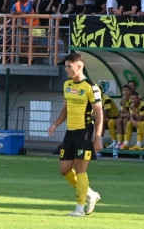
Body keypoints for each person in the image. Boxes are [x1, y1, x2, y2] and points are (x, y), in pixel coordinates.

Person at [47, 52, 103, 217]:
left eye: (69, 66)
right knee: (64, 169)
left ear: (79, 66)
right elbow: (65, 109)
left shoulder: (91, 87)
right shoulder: (67, 85)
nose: (66, 69)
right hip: (70, 132)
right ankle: (91, 194)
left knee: (80, 168)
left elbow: (99, 113)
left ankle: (79, 209)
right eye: (66, 66)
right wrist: (55, 124)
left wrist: (98, 137)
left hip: (85, 132)